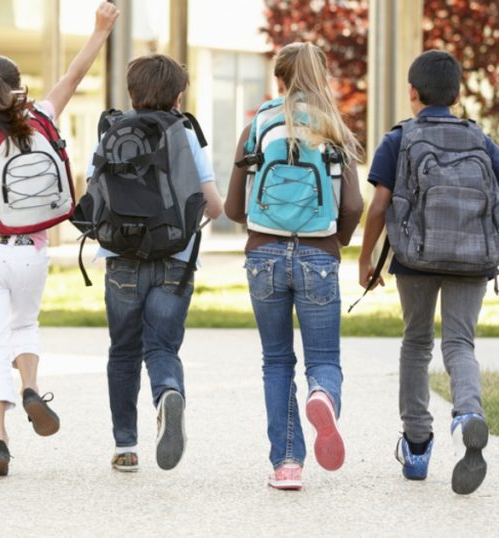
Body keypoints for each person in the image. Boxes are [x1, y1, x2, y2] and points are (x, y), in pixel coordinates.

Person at [0, 1, 119, 477]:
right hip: (32, 250)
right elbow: (76, 75)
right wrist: (100, 29)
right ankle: (31, 386)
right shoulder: (43, 115)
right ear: (18, 89)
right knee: (25, 326)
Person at [358, 49, 499, 495]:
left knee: (416, 342)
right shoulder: (479, 139)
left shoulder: (399, 138)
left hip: (415, 257)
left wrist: (366, 258)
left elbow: (378, 205)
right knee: (459, 343)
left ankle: (416, 447)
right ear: (457, 94)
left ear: (412, 92)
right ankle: (467, 415)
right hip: (473, 258)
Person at [225, 42, 364, 490]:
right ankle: (322, 396)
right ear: (321, 77)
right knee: (323, 358)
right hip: (318, 255)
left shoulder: (258, 125)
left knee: (277, 360)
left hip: (264, 254)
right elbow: (355, 204)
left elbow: (232, 207)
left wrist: (261, 225)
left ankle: (287, 464)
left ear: (278, 79)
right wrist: (334, 241)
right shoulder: (332, 127)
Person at [88, 54, 223, 473]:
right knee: (162, 347)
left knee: (123, 352)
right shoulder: (185, 134)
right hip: (175, 260)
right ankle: (167, 393)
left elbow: (93, 197)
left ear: (132, 91)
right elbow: (215, 207)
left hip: (121, 260)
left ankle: (125, 446)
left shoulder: (112, 130)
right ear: (179, 95)